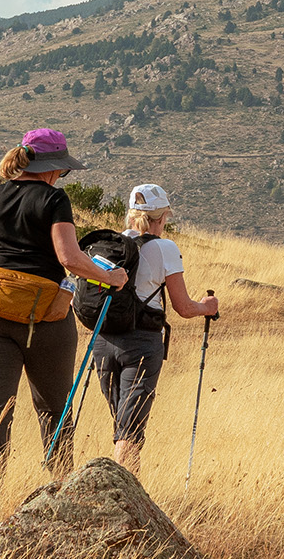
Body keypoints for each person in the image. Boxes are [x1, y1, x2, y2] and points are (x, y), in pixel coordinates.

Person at [0, 129, 127, 473]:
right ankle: (60, 487)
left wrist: (2, 260)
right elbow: (70, 259)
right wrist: (111, 277)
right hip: (44, 317)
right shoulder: (54, 200)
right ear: (54, 168)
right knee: (53, 407)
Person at [91, 184, 218, 476]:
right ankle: (126, 496)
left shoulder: (112, 244)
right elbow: (183, 307)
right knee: (130, 428)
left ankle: (119, 486)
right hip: (141, 343)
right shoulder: (164, 248)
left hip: (103, 340)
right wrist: (206, 307)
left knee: (122, 420)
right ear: (159, 218)